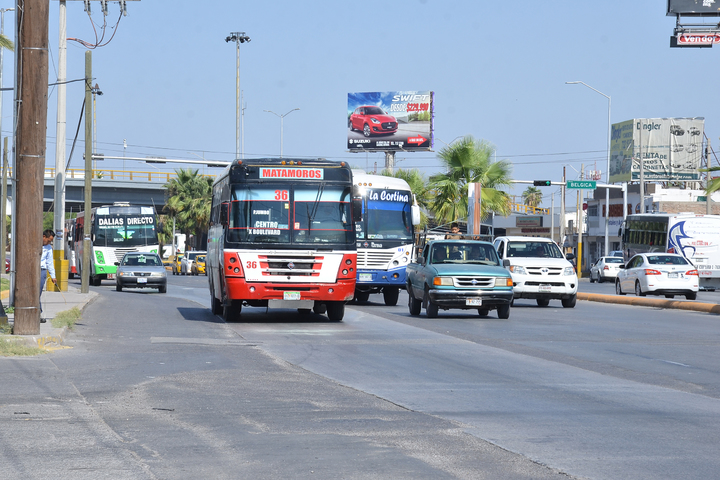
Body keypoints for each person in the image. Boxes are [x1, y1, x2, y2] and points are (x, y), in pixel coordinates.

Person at [40, 229, 57, 323]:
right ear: (43, 237)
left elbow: (50, 263)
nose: (49, 243)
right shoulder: (35, 243)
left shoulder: (49, 248)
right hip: (31, 271)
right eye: (49, 240)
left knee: (37, 293)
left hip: (42, 270)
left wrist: (53, 276)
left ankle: (39, 312)